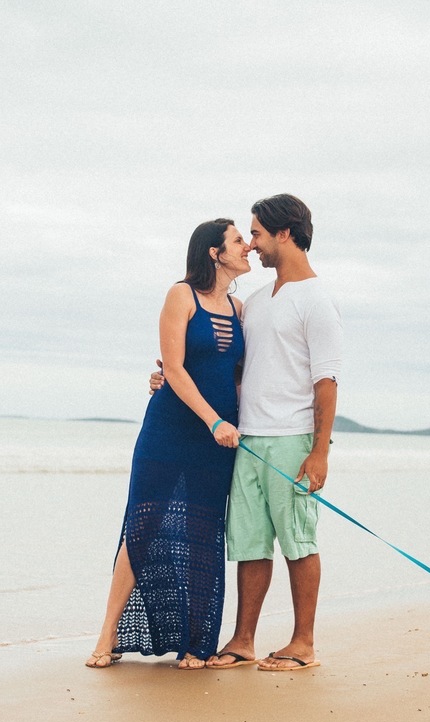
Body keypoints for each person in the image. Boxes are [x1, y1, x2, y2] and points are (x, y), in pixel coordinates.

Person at [152, 194, 343, 672]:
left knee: (298, 540)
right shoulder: (255, 303)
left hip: (292, 438)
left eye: (256, 233)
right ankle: (243, 639)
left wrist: (319, 452)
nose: (252, 244)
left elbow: (327, 383)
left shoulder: (316, 300)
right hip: (248, 438)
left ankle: (303, 644)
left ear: (284, 233)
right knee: (251, 542)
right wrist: (168, 378)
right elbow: (230, 370)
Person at [86, 218, 251, 670]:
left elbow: (238, 377)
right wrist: (213, 419)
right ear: (214, 253)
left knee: (203, 531)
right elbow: (174, 369)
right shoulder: (181, 295)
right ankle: (107, 634)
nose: (247, 247)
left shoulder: (239, 310)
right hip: (172, 430)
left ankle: (198, 643)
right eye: (239, 241)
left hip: (219, 439)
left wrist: (237, 424)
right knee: (142, 525)